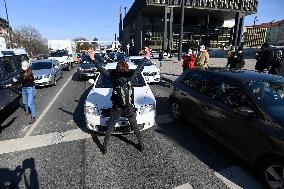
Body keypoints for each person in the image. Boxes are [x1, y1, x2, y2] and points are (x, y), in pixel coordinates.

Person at [94, 48, 150, 154]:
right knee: (135, 126)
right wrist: (146, 57)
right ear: (127, 69)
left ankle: (104, 147)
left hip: (117, 107)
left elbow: (102, 70)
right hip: (128, 107)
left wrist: (93, 59)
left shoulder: (113, 78)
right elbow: (139, 69)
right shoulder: (130, 77)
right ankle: (141, 144)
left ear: (117, 69)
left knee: (110, 127)